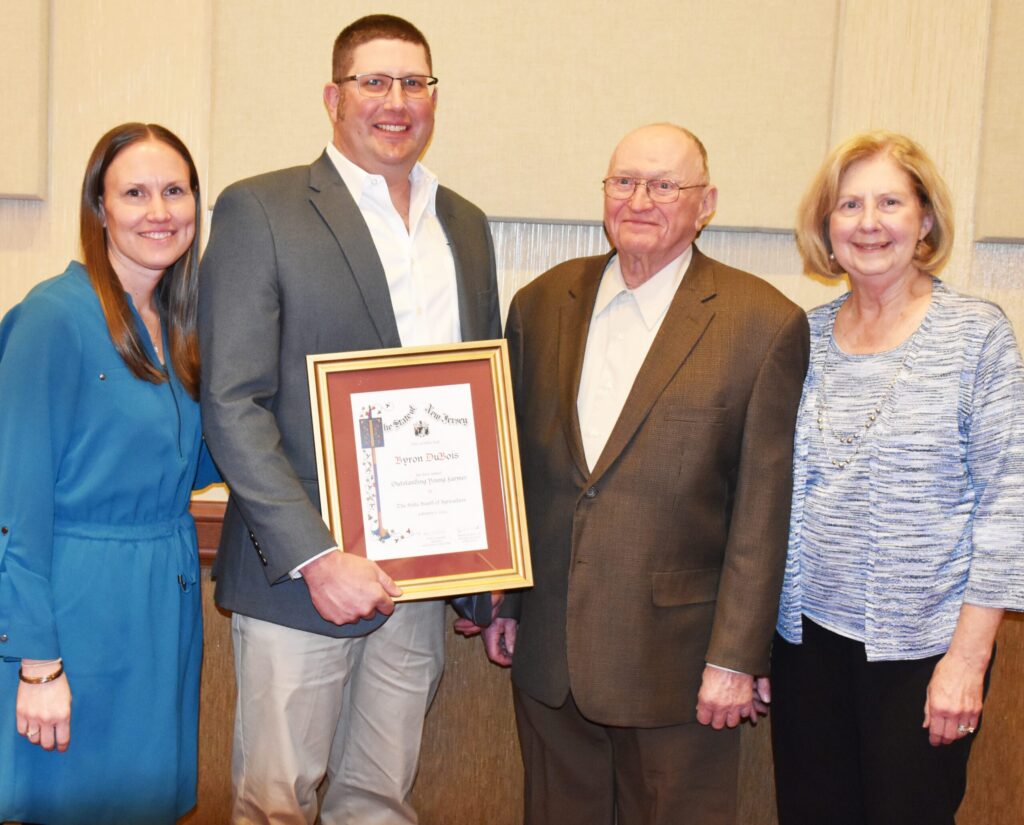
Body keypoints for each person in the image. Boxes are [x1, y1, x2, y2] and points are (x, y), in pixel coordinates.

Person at [198, 13, 500, 825]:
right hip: (301, 582)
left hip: (419, 584)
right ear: (334, 97)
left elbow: (476, 401)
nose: (396, 101)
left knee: (380, 799)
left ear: (433, 97)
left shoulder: (464, 226)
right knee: (275, 803)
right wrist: (318, 557)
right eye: (375, 82)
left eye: (414, 82)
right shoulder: (260, 210)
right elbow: (232, 401)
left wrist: (485, 568)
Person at [468, 123, 809, 825]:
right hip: (550, 658)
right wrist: (510, 599)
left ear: (706, 202)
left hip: (679, 668)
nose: (640, 200)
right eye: (623, 181)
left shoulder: (762, 323)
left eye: (664, 185)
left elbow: (762, 511)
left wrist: (737, 657)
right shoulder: (539, 304)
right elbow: (516, 471)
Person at [771, 131, 1024, 824]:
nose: (869, 222)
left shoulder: (977, 335)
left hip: (923, 649)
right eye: (849, 205)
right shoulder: (804, 336)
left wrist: (967, 662)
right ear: (826, 227)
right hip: (806, 645)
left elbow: (1010, 507)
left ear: (926, 220)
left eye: (890, 201)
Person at [0, 122, 216, 824]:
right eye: (135, 192)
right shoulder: (53, 318)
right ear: (100, 209)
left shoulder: (179, 324)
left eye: (175, 191)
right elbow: (14, 503)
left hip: (162, 600)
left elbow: (197, 459)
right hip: (77, 609)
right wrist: (37, 663)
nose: (160, 211)